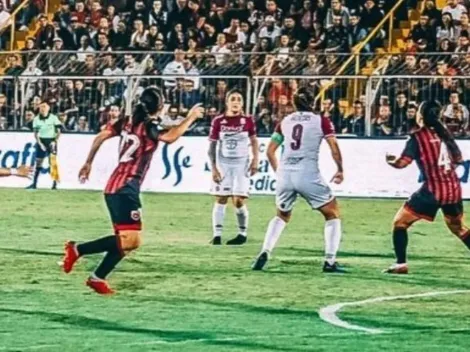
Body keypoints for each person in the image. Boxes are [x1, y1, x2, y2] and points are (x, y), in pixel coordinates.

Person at [61, 87, 204, 294]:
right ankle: (77, 249)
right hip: (125, 188)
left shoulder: (129, 121)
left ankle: (97, 277)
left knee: (125, 240)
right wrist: (190, 118)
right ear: (160, 106)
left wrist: (88, 162)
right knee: (131, 240)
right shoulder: (148, 125)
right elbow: (170, 137)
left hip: (116, 186)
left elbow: (100, 136)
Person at [252, 87, 345, 273]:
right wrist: (340, 169)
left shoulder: (285, 121)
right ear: (314, 102)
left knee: (281, 215)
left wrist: (280, 172)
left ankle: (265, 251)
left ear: (294, 103)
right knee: (332, 213)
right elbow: (334, 147)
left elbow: (270, 151)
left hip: (286, 173)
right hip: (308, 173)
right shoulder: (321, 121)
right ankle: (330, 261)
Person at [384, 101, 469, 274]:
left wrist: (391, 160)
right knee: (459, 229)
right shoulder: (445, 134)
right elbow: (459, 159)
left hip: (432, 191)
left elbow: (402, 163)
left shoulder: (417, 137)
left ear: (420, 116)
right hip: (453, 189)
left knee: (400, 222)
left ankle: (401, 264)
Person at [208, 89, 259, 246]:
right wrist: (214, 168)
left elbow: (254, 141)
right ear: (227, 102)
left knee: (238, 200)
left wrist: (255, 159)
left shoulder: (248, 120)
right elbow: (212, 146)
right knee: (221, 198)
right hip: (223, 164)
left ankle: (242, 234)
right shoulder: (218, 121)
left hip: (241, 164)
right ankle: (217, 235)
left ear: (242, 103)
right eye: (233, 99)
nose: (236, 102)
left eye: (239, 99)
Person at [27, 101, 62, 190]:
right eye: (41, 107)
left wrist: (55, 141)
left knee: (52, 162)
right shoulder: (36, 119)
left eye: (44, 107)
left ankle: (54, 184)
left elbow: (58, 131)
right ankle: (34, 184)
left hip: (51, 141)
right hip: (41, 141)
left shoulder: (53, 118)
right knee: (39, 162)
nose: (43, 109)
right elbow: (35, 134)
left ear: (48, 108)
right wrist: (40, 144)